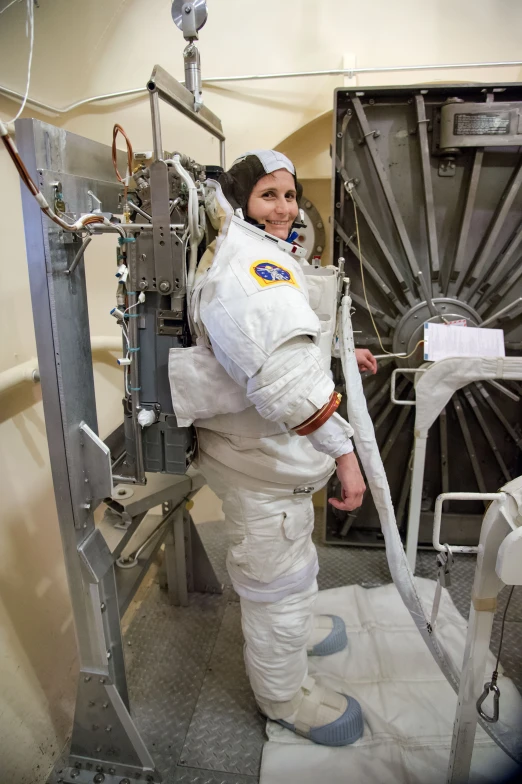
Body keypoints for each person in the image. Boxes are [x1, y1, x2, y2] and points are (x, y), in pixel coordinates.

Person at [169, 149, 377, 747]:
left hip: (268, 458)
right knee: (276, 587)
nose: (284, 208)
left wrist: (339, 356)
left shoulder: (262, 256)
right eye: (268, 195)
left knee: (291, 562)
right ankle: (284, 698)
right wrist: (344, 455)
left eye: (289, 195)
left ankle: (295, 634)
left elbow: (284, 344)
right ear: (238, 203)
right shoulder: (247, 269)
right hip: (260, 464)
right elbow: (286, 381)